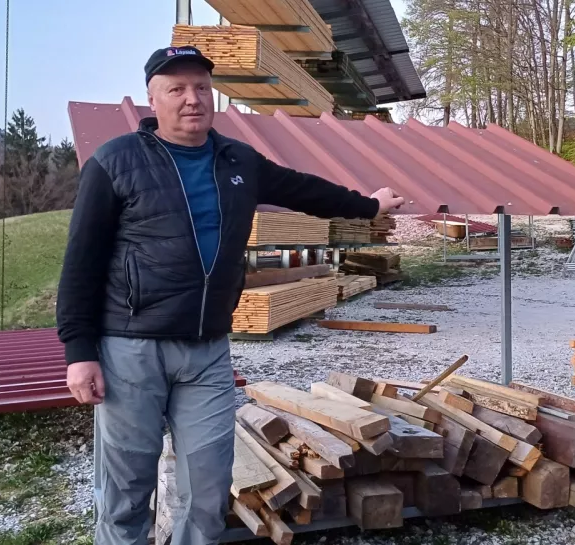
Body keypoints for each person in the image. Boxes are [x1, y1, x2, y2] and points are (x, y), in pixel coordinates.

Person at [55, 45, 405, 545]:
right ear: (153, 98)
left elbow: (304, 190)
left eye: (201, 87)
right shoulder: (116, 162)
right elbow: (81, 262)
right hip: (130, 348)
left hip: (207, 351)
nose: (192, 99)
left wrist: (368, 206)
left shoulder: (236, 159)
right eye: (176, 89)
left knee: (208, 486)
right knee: (126, 489)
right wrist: (79, 352)